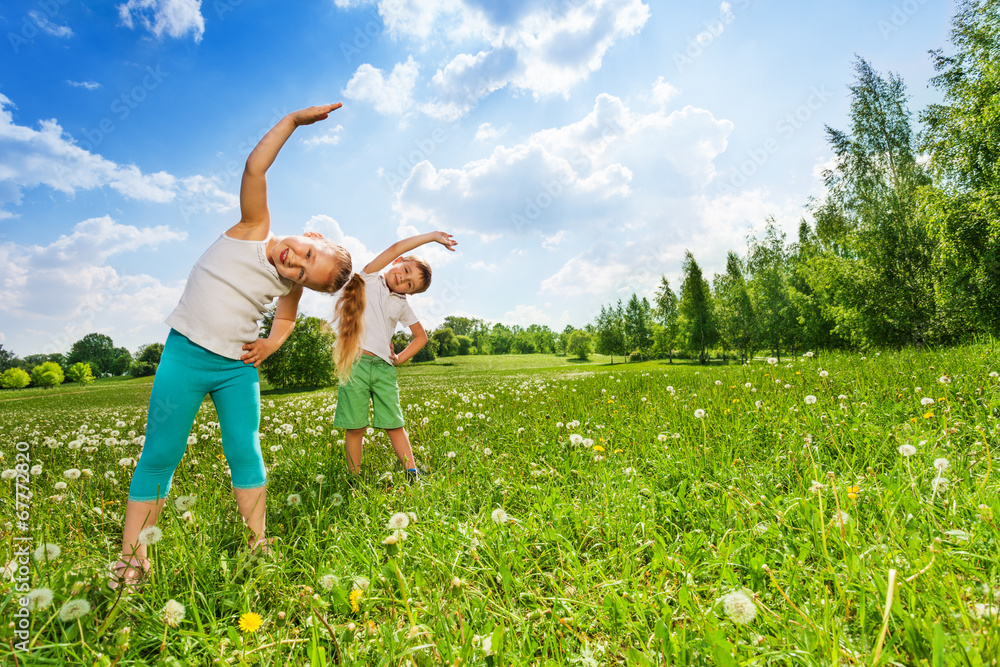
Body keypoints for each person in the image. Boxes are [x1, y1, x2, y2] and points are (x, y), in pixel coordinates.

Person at [113, 103, 351, 588]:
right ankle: (133, 558)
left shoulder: (291, 286)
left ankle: (257, 543)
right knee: (161, 452)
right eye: (305, 253)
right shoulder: (252, 228)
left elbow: (285, 315)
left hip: (236, 370)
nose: (294, 264)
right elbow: (255, 168)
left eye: (304, 272)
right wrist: (291, 123)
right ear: (311, 236)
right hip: (185, 356)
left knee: (245, 450)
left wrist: (271, 345)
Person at [332, 231, 457, 483]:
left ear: (410, 293)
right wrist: (432, 237)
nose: (404, 279)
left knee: (394, 422)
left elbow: (421, 337)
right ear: (398, 261)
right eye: (406, 270)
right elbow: (396, 245)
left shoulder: (401, 303)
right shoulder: (369, 277)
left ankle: (412, 474)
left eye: (410, 284)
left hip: (383, 369)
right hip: (355, 364)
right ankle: (353, 478)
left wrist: (399, 358)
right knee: (355, 426)